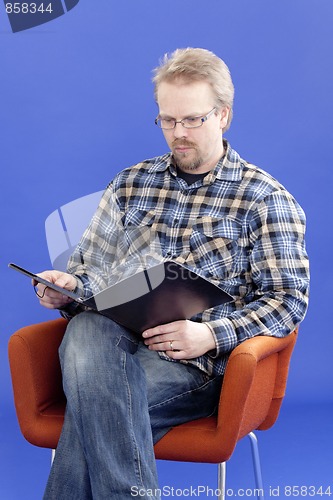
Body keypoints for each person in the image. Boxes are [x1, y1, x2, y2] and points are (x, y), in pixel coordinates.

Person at [34, 48, 310, 499]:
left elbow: (288, 299)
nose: (178, 134)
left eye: (192, 120)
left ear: (223, 116)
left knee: (98, 413)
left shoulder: (264, 198)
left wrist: (213, 335)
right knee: (84, 326)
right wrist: (69, 288)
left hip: (193, 364)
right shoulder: (131, 184)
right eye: (167, 120)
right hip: (112, 344)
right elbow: (90, 270)